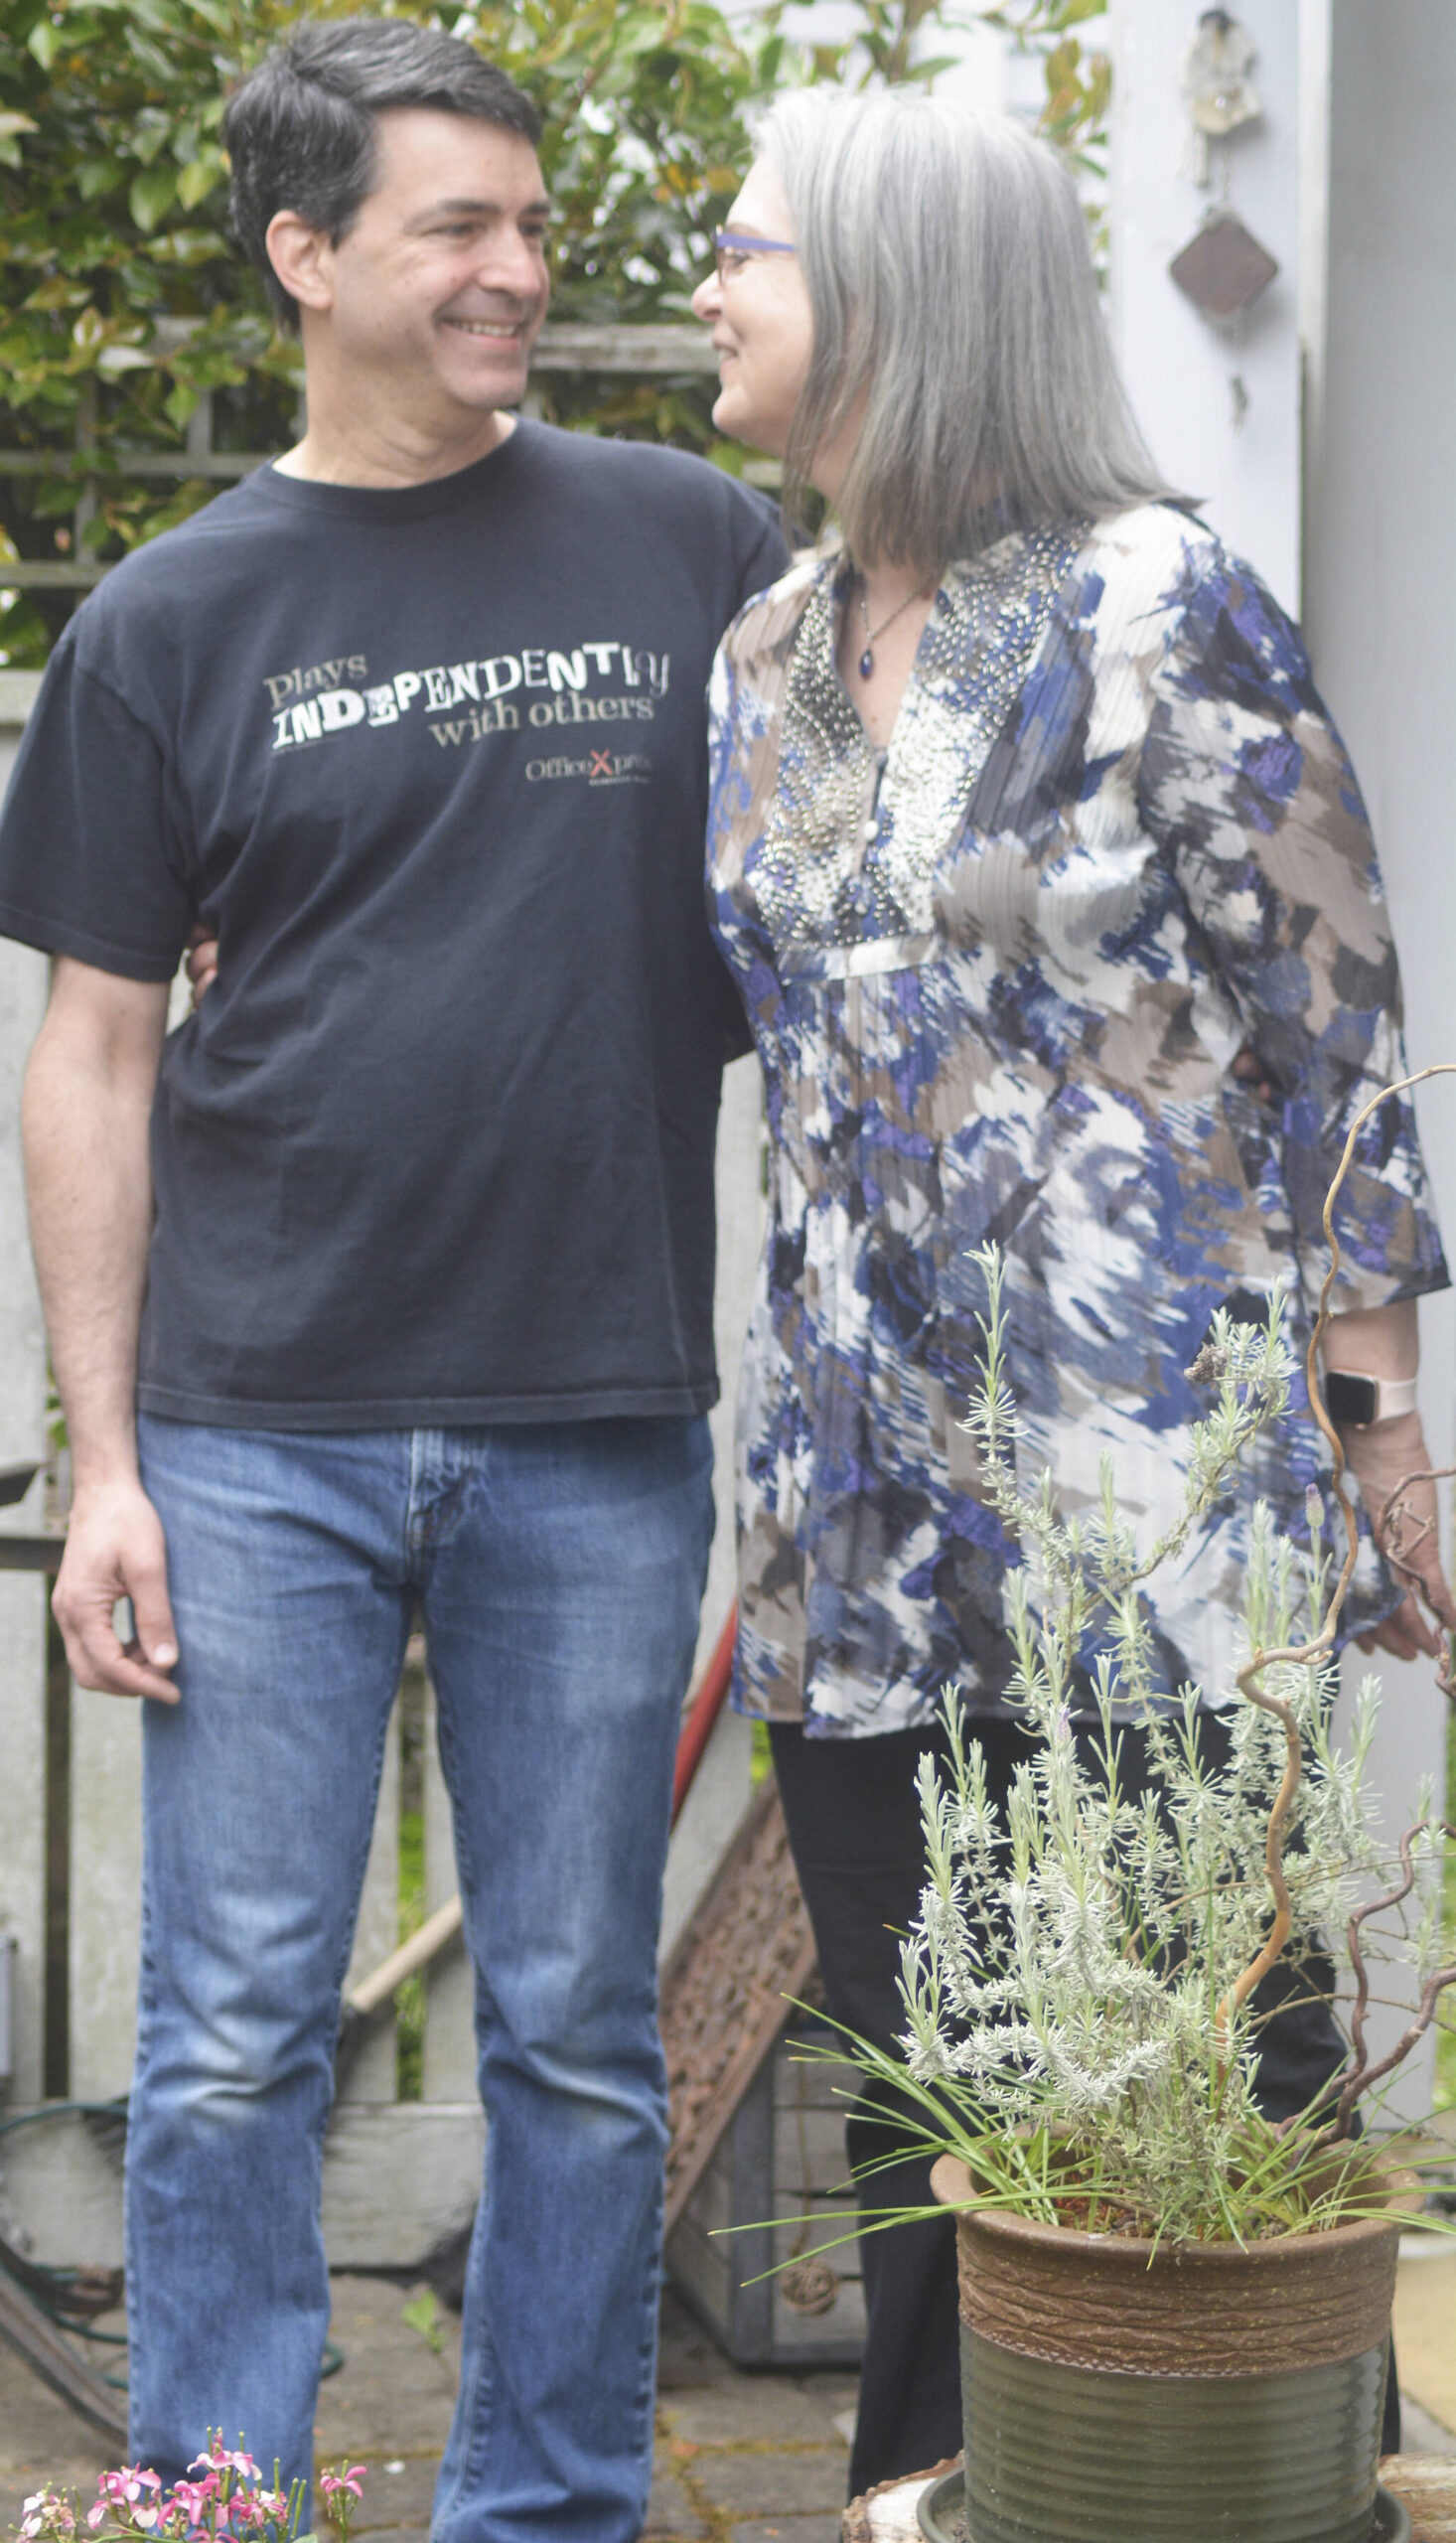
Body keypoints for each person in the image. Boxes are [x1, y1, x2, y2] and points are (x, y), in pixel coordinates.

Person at [0, 20, 784, 2538]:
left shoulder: (686, 543)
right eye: (455, 226)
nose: (516, 270)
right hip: (254, 1425)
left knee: (575, 2031)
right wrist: (101, 1456)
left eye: (529, 226)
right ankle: (216, 2483)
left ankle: (540, 2498)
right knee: (229, 2029)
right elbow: (96, 1054)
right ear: (306, 251)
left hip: (594, 1408)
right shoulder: (169, 616)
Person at [690, 88, 1455, 2494]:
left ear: (901, 295)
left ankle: (1263, 2486)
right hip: (854, 1512)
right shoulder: (763, 646)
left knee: (1196, 2069)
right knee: (926, 2079)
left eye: (752, 252)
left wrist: (1373, 1432)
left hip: (1143, 1503)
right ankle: (939, 2490)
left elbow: (1332, 1021)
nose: (710, 288)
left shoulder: (1156, 603)